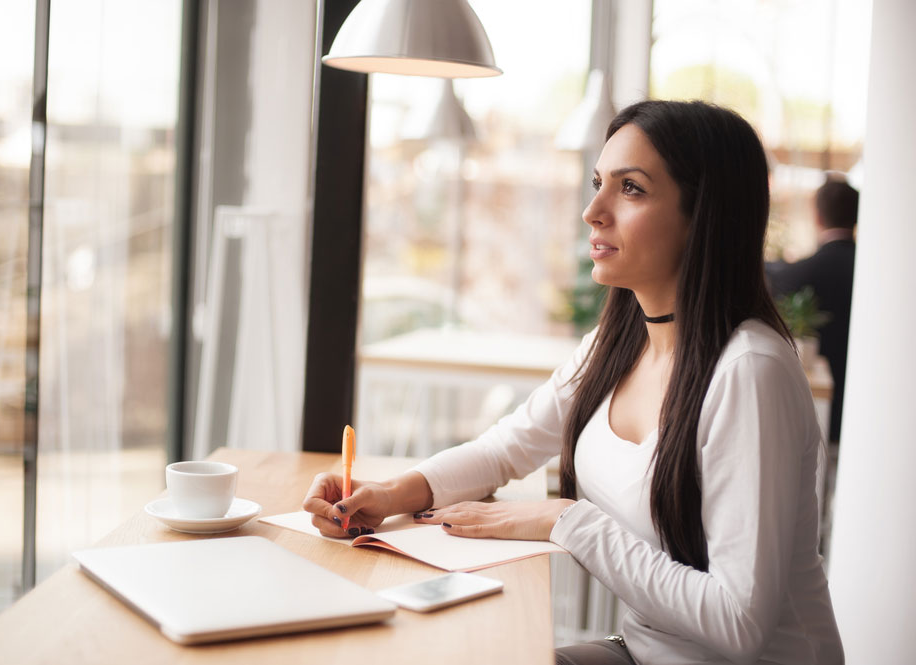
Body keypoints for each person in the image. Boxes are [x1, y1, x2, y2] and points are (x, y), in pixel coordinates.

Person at [303, 100, 843, 665]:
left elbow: (738, 624)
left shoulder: (750, 371)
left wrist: (565, 520)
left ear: (703, 215)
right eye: (597, 183)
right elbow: (506, 448)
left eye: (630, 189)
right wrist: (387, 496)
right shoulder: (617, 342)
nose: (593, 211)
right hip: (642, 653)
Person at [767, 175, 858, 444]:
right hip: (864, 398)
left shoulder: (797, 275)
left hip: (815, 402)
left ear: (817, 217)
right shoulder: (875, 278)